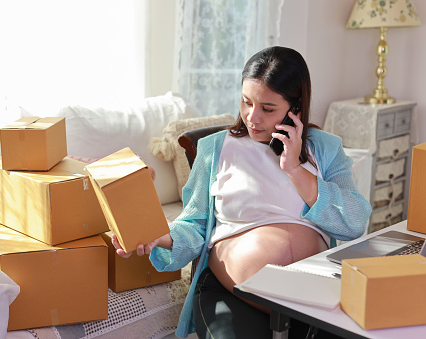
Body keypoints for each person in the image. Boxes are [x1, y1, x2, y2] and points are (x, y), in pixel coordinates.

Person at [112, 46, 372, 339]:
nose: (252, 117)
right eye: (246, 102)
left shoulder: (324, 149)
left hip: (313, 300)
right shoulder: (214, 149)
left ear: (295, 109)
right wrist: (165, 237)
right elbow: (194, 225)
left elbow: (355, 221)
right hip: (235, 296)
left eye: (268, 108)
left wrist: (296, 171)